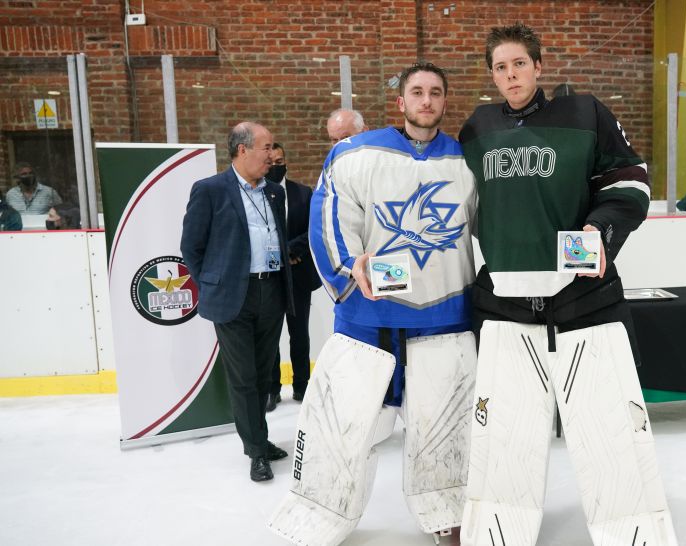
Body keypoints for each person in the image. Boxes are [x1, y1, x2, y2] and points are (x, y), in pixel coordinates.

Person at [458, 23, 676, 546]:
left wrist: (600, 230)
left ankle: (630, 528)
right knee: (507, 441)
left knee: (609, 434)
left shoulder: (585, 112)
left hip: (584, 303)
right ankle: (500, 527)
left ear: (538, 65)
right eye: (500, 67)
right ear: (492, 75)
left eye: (519, 63)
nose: (511, 75)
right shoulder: (476, 129)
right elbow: (458, 204)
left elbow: (630, 181)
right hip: (506, 309)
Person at [269, 62, 478, 545]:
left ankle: (447, 511)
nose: (426, 101)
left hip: (444, 323)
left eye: (436, 93)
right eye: (417, 92)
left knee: (445, 430)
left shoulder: (467, 161)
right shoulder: (353, 154)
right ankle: (321, 511)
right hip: (368, 323)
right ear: (401, 101)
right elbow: (329, 221)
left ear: (445, 101)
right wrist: (348, 269)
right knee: (341, 427)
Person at [180, 121, 293, 483]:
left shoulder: (273, 192)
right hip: (233, 296)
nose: (271, 155)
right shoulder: (210, 190)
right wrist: (212, 285)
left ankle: (259, 438)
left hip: (271, 290)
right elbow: (191, 247)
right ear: (242, 150)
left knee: (263, 374)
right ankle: (256, 450)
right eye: (266, 147)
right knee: (244, 377)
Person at [264, 143, 323, 412]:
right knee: (270, 336)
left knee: (300, 334)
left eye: (280, 161)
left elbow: (314, 229)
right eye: (271, 162)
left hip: (298, 273)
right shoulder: (257, 194)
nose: (276, 166)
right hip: (269, 276)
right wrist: (278, 255)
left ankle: (302, 385)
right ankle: (272, 389)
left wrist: (290, 251)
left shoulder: (303, 193)